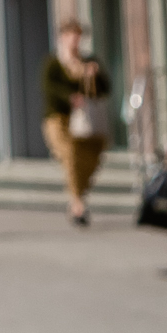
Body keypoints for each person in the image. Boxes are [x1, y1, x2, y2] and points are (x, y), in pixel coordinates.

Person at [40, 19, 112, 227]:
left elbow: (105, 89)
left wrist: (95, 75)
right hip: (59, 119)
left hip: (85, 121)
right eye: (71, 36)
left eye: (78, 36)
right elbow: (49, 88)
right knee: (70, 156)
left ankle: (78, 196)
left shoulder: (88, 62)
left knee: (90, 158)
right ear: (62, 38)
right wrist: (70, 97)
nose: (75, 41)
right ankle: (77, 204)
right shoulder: (54, 63)